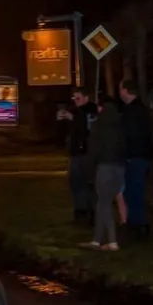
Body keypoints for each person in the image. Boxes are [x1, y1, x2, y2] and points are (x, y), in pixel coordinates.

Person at [81, 98, 126, 251]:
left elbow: (93, 151)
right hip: (119, 168)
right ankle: (97, 240)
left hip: (104, 168)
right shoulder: (121, 127)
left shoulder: (98, 127)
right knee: (103, 202)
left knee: (104, 203)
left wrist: (89, 171)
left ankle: (112, 242)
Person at [118, 79, 153, 238]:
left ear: (126, 91)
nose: (119, 92)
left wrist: (127, 154)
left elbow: (132, 135)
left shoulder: (134, 112)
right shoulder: (137, 110)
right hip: (139, 156)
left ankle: (139, 226)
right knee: (131, 192)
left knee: (135, 192)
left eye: (121, 89)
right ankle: (136, 225)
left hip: (136, 157)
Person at [56, 87, 97, 224]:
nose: (76, 101)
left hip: (87, 153)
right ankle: (80, 211)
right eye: (74, 98)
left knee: (87, 183)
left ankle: (89, 212)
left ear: (86, 98)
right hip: (76, 152)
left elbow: (87, 130)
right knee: (76, 183)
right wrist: (61, 119)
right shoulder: (75, 110)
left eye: (78, 98)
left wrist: (73, 118)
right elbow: (67, 131)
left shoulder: (92, 111)